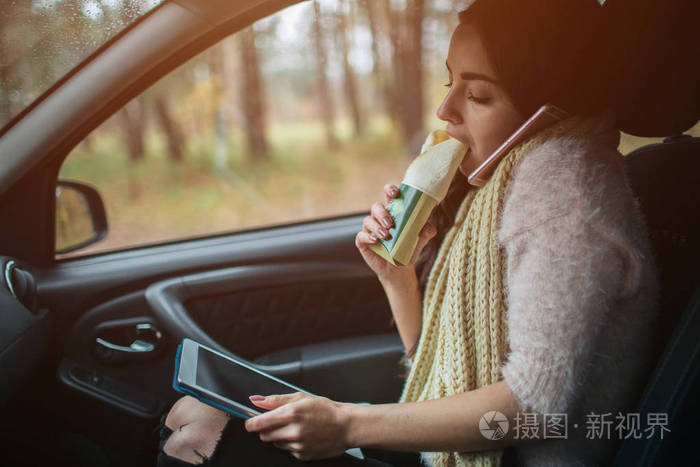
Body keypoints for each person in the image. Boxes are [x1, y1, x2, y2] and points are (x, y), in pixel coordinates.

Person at [155, 0, 660, 465]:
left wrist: (349, 423)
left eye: (478, 94)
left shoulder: (567, 188)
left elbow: (534, 406)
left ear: (548, 104)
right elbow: (445, 370)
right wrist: (397, 277)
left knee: (195, 435)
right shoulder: (506, 182)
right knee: (191, 418)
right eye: (451, 85)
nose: (446, 112)